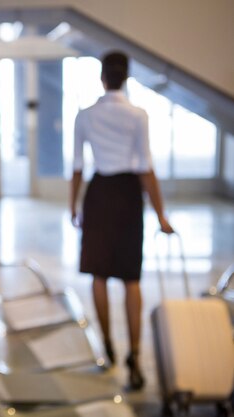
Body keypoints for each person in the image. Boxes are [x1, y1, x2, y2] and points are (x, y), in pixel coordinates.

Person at [69, 50, 174, 391]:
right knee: (132, 279)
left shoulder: (85, 116)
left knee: (98, 275)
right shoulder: (138, 115)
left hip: (99, 194)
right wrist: (160, 215)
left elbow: (77, 167)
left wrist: (74, 206)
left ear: (102, 77)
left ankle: (108, 345)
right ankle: (134, 354)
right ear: (126, 78)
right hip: (128, 195)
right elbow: (145, 168)